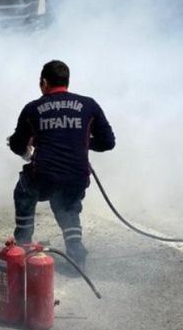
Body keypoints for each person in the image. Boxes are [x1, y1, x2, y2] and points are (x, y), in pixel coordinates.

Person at [8, 60, 115, 266]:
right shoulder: (89, 105)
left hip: (43, 178)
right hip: (77, 177)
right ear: (66, 82)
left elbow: (16, 144)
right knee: (68, 207)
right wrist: (81, 142)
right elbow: (108, 142)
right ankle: (76, 252)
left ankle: (22, 245)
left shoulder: (33, 108)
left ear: (44, 82)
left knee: (23, 190)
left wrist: (28, 151)